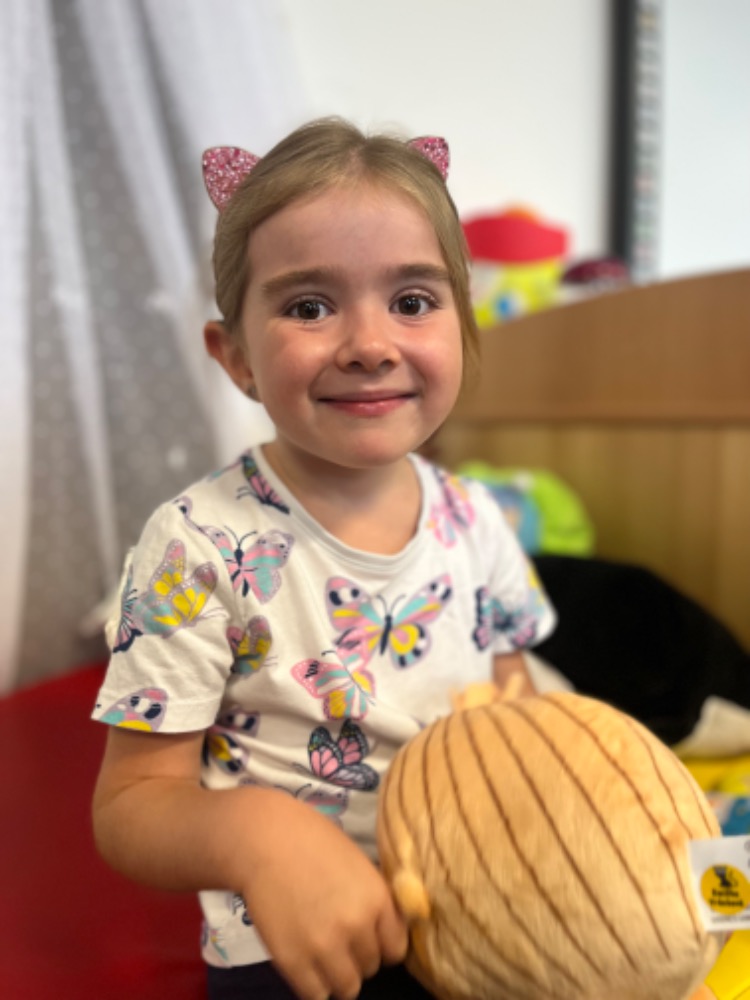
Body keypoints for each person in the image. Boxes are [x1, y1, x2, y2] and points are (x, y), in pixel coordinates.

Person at [91, 117, 556, 1000]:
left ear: (463, 326)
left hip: (471, 912)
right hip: (297, 949)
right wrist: (259, 839)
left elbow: (513, 708)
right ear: (236, 358)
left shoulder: (477, 520)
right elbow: (130, 807)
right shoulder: (195, 544)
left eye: (412, 301)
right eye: (309, 307)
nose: (371, 344)